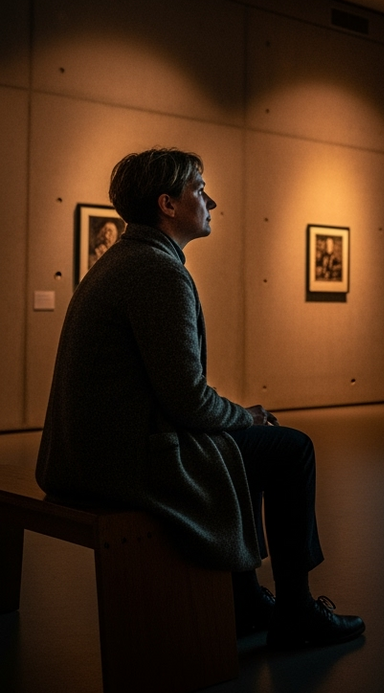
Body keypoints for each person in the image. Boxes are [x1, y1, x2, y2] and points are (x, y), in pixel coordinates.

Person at [35, 148, 364, 648]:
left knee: (235, 444)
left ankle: (245, 598)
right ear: (168, 204)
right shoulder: (158, 271)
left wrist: (234, 420)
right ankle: (296, 611)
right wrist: (245, 417)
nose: (211, 199)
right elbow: (187, 400)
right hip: (120, 461)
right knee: (289, 448)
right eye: (199, 188)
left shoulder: (126, 260)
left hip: (84, 454)